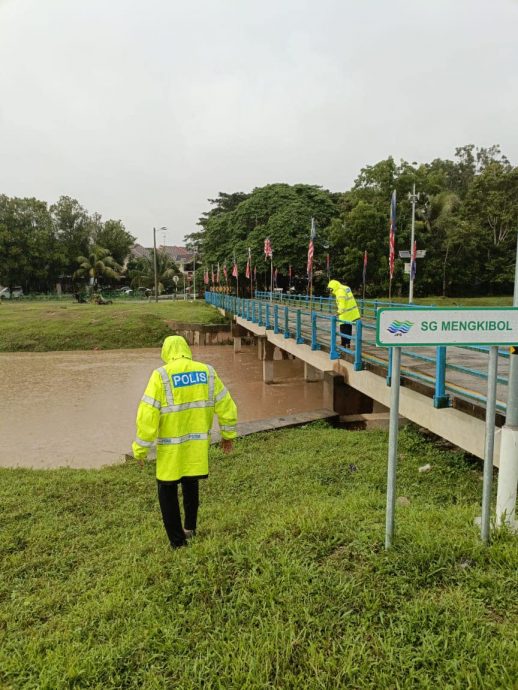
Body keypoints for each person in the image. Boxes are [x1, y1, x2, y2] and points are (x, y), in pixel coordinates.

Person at [131, 335, 237, 549]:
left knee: (167, 492)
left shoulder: (160, 375)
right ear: (186, 349)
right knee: (191, 484)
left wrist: (140, 449)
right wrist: (228, 435)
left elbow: (147, 415)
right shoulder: (207, 371)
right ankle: (190, 528)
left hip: (171, 452)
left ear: (166, 352)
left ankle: (178, 542)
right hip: (196, 449)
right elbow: (226, 405)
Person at [327, 279, 360, 349]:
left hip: (345, 314)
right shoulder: (345, 288)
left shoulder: (339, 292)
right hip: (352, 313)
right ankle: (348, 344)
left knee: (343, 329)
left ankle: (343, 344)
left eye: (330, 289)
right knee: (348, 329)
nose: (330, 291)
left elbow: (342, 304)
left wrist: (338, 313)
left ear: (333, 287)